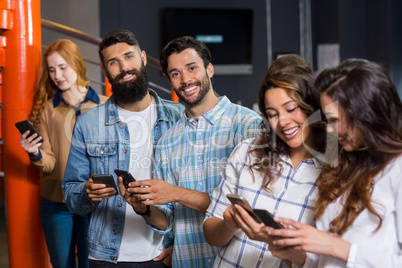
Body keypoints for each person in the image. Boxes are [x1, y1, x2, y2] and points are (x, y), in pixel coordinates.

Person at [124, 36, 261, 268]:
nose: (186, 79)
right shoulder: (167, 142)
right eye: (176, 73)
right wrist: (143, 208)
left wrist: (176, 193)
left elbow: (252, 209)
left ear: (209, 69)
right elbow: (166, 222)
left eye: (192, 68)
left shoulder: (248, 125)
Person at [62, 29, 184, 267]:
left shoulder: (178, 117)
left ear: (144, 58)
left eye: (129, 56)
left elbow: (195, 188)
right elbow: (70, 195)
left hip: (162, 253)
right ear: (105, 70)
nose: (124, 67)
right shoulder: (87, 123)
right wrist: (86, 193)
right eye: (113, 62)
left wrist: (180, 246)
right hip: (105, 256)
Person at [264, 59, 402, 267]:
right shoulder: (348, 166)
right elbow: (330, 260)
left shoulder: (397, 169)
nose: (329, 130)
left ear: (365, 115)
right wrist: (297, 253)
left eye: (335, 120)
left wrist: (331, 245)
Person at [202, 54, 326, 267]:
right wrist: (229, 224)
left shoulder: (333, 170)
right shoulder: (246, 152)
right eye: (272, 114)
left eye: (290, 108)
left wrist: (287, 248)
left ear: (310, 105)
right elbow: (211, 232)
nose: (283, 122)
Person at [18, 39, 108, 268]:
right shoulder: (48, 109)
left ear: (77, 64)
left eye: (62, 67)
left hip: (95, 201)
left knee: (92, 264)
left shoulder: (105, 106)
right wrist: (35, 153)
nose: (57, 75)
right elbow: (49, 164)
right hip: (57, 202)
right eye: (51, 69)